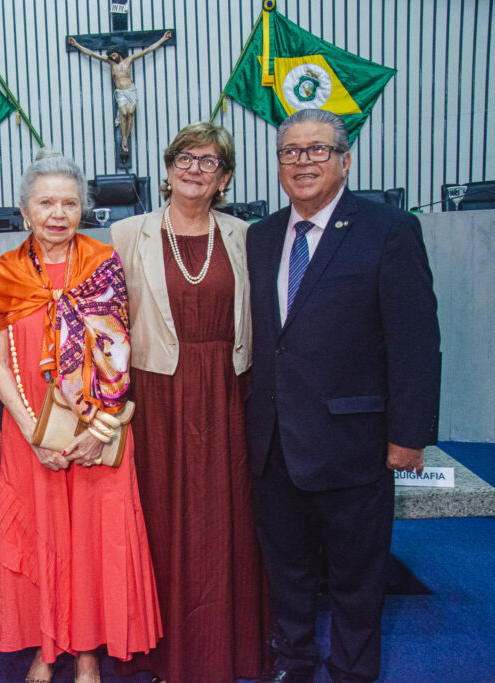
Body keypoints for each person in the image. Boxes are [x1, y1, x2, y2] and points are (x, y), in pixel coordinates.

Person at [245, 109, 440, 683]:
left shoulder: (389, 229)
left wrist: (409, 436)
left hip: (353, 442)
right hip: (274, 443)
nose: (302, 162)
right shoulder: (260, 236)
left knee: (357, 575)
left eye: (317, 150)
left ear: (345, 159)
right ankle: (294, 662)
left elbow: (415, 340)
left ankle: (353, 672)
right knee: (287, 570)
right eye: (290, 152)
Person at [0, 149, 162, 683]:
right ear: (24, 210)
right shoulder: (6, 272)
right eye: (45, 202)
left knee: (91, 541)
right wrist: (28, 429)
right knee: (42, 539)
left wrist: (97, 429)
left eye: (68, 203)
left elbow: (119, 353)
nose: (57, 213)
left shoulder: (102, 263)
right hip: (31, 434)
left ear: (84, 209)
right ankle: (48, 644)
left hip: (99, 432)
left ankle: (87, 653)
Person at [109, 122, 269, 682]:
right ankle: (159, 651)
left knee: (229, 517)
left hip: (228, 391)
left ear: (224, 176)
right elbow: (106, 324)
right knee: (160, 517)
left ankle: (231, 648)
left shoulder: (247, 236)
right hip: (157, 395)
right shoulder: (127, 233)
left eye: (208, 160)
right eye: (184, 156)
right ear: (168, 167)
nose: (194, 167)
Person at [68, 32, 171, 156]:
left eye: (114, 54)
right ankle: (124, 139)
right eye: (111, 56)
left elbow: (148, 50)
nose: (112, 57)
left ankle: (126, 137)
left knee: (131, 113)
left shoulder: (129, 60)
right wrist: (77, 45)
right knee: (123, 113)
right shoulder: (110, 63)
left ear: (119, 52)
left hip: (131, 89)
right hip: (121, 92)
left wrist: (163, 39)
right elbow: (91, 53)